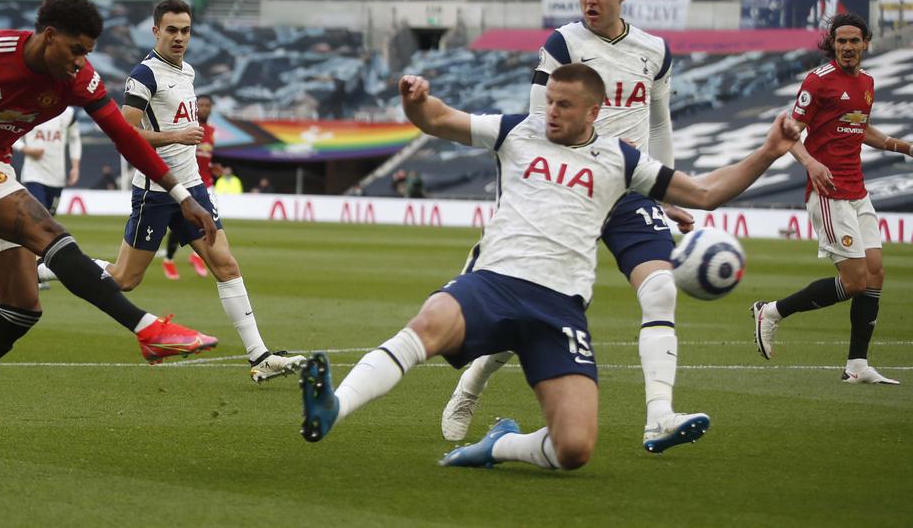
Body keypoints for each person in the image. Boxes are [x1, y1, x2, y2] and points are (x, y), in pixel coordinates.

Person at [299, 65, 801, 474]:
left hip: (559, 307)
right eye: (549, 101)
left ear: (593, 110)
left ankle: (498, 447)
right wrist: (414, 101)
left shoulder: (623, 161)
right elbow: (438, 119)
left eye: (563, 104)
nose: (551, 111)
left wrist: (769, 151)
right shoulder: (516, 129)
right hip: (494, 282)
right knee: (428, 323)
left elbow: (706, 193)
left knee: (575, 450)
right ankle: (333, 407)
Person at [0, 0, 220, 453]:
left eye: (88, 53)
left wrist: (180, 194)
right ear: (49, 37)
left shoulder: (79, 78)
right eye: (76, 50)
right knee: (49, 233)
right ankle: (148, 331)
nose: (82, 62)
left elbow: (124, 136)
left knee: (21, 309)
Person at [440, 0, 704, 455]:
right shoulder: (563, 43)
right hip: (570, 189)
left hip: (628, 190)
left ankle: (659, 418)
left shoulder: (655, 51)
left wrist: (666, 190)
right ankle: (471, 385)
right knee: (529, 304)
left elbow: (658, 121)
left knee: (661, 290)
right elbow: (537, 123)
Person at [42, 0, 304, 384]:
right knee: (124, 278)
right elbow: (124, 132)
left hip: (192, 190)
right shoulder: (144, 75)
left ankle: (259, 355)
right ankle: (51, 267)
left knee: (226, 265)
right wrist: (176, 136)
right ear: (155, 32)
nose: (179, 37)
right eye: (171, 30)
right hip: (156, 190)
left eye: (185, 30)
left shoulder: (187, 72)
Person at [752, 14, 911, 384]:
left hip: (858, 189)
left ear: (865, 43)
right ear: (833, 45)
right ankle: (772, 312)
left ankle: (857, 365)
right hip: (829, 193)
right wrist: (811, 164)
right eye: (841, 42)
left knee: (875, 274)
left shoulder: (868, 83)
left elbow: (860, 125)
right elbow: (789, 133)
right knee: (855, 281)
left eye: (854, 41)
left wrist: (900, 146)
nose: (848, 48)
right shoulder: (818, 82)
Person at [161, 94, 215, 281]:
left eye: (207, 105)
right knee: (181, 224)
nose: (204, 108)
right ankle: (168, 260)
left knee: (208, 221)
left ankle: (197, 256)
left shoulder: (211, 131)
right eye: (201, 105)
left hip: (206, 183)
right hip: (186, 182)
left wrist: (214, 168)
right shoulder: (187, 128)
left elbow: (205, 157)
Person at [12, 106, 81, 215]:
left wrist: (75, 167)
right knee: (39, 215)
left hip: (57, 176)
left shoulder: (68, 113)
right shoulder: (29, 108)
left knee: (49, 219)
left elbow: (75, 139)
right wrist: (26, 149)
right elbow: (13, 136)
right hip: (34, 173)